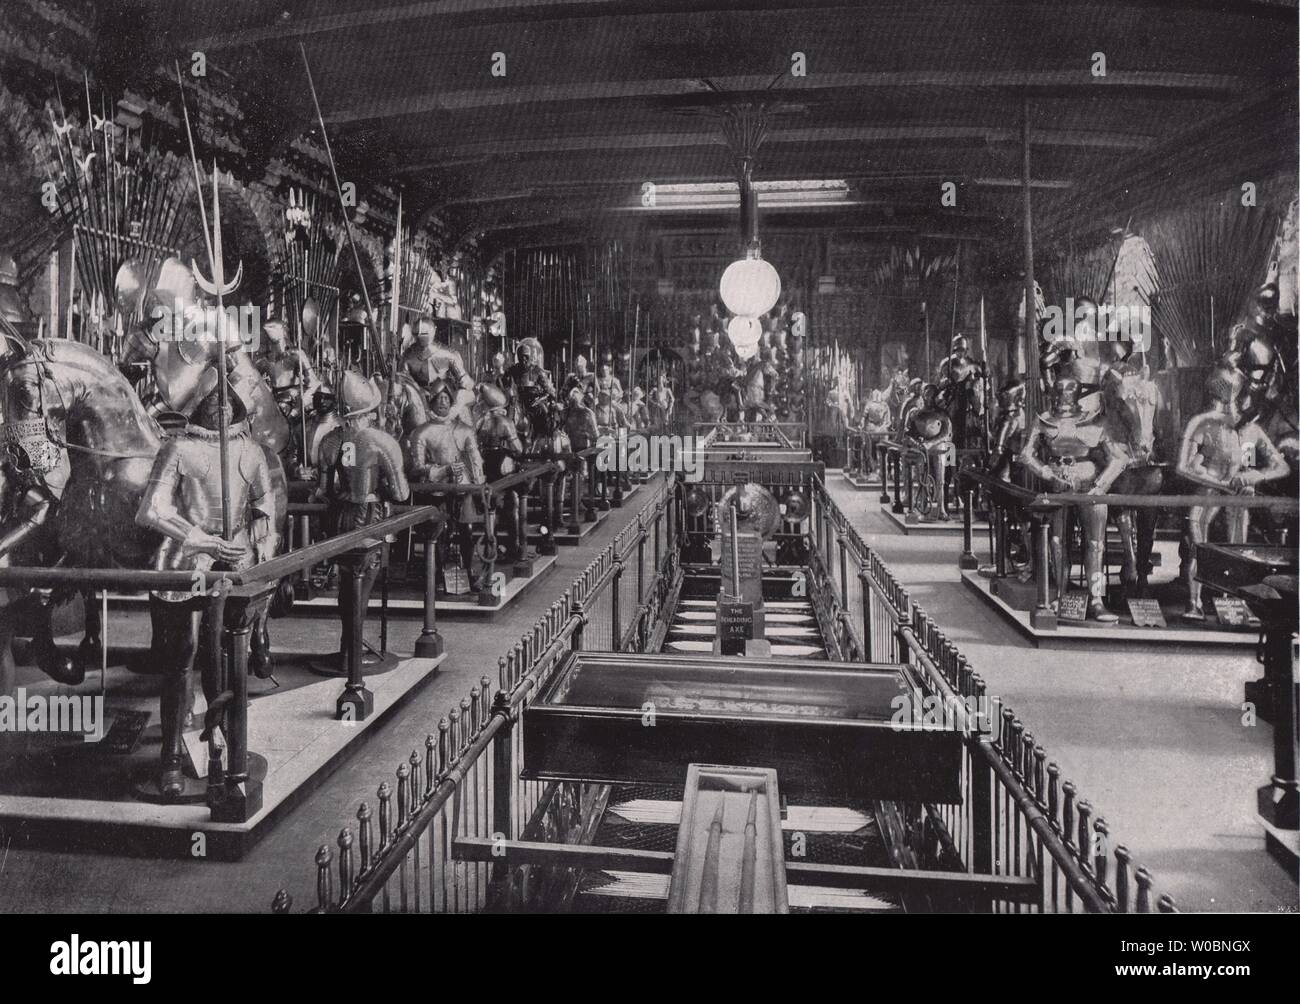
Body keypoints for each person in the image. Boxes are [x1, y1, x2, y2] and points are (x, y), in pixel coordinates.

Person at [135, 373, 278, 800]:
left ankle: (223, 744)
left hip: (233, 560)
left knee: (227, 658)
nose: (219, 407)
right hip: (183, 558)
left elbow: (265, 511)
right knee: (182, 657)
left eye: (225, 400)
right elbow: (151, 510)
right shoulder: (178, 447)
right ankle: (171, 759)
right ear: (198, 405)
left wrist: (251, 544)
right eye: (210, 402)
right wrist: (196, 537)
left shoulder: (250, 451)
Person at [1177, 364, 1289, 619]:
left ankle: (1236, 604)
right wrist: (1220, 484)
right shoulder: (1202, 422)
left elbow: (1280, 466)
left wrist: (1254, 475)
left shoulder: (1249, 429)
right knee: (1198, 547)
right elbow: (1182, 467)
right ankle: (1193, 603)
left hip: (1238, 492)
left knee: (1239, 547)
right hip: (1208, 489)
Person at [314, 371, 410, 664]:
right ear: (369, 410)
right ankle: (353, 655)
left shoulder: (332, 439)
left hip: (339, 516)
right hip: (371, 517)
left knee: (346, 585)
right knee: (363, 586)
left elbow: (325, 490)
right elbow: (401, 493)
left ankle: (347, 647)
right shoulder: (381, 441)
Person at [1019, 376, 1126, 622]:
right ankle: (1062, 593)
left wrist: (1101, 485)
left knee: (1095, 543)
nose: (1063, 393)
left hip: (1090, 484)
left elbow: (1119, 458)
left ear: (1077, 392)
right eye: (1059, 388)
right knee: (1057, 541)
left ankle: (1096, 599)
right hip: (1057, 484)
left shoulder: (1094, 421)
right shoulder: (1044, 419)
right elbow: (1026, 454)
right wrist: (1045, 471)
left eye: (1069, 389)